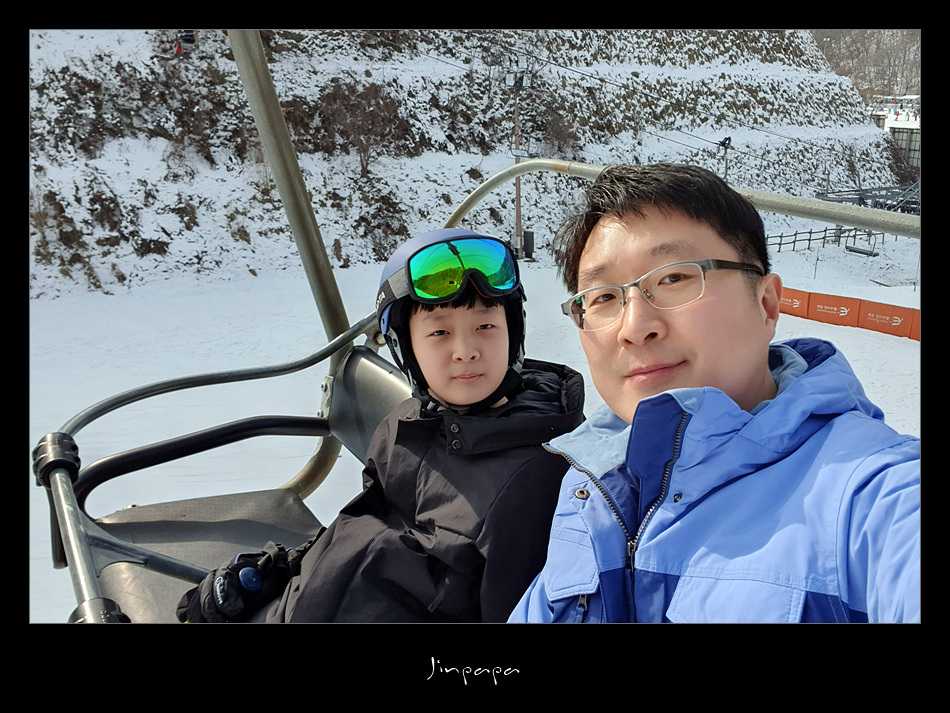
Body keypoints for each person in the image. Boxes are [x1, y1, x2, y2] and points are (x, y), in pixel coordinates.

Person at [508, 163, 920, 623]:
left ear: (766, 304)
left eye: (674, 278)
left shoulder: (868, 496)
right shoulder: (591, 484)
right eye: (603, 297)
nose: (635, 327)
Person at [177, 228, 585, 622]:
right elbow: (357, 528)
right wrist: (280, 571)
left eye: (485, 326)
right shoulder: (406, 425)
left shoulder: (536, 480)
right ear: (405, 348)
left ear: (513, 331)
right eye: (440, 332)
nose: (466, 351)